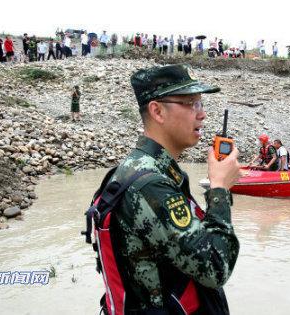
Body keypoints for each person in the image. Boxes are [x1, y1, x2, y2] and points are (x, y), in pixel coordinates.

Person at [91, 64, 240, 313]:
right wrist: (220, 190)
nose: (202, 114)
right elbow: (216, 268)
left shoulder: (146, 168)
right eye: (191, 103)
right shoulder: (150, 186)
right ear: (157, 111)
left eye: (201, 104)